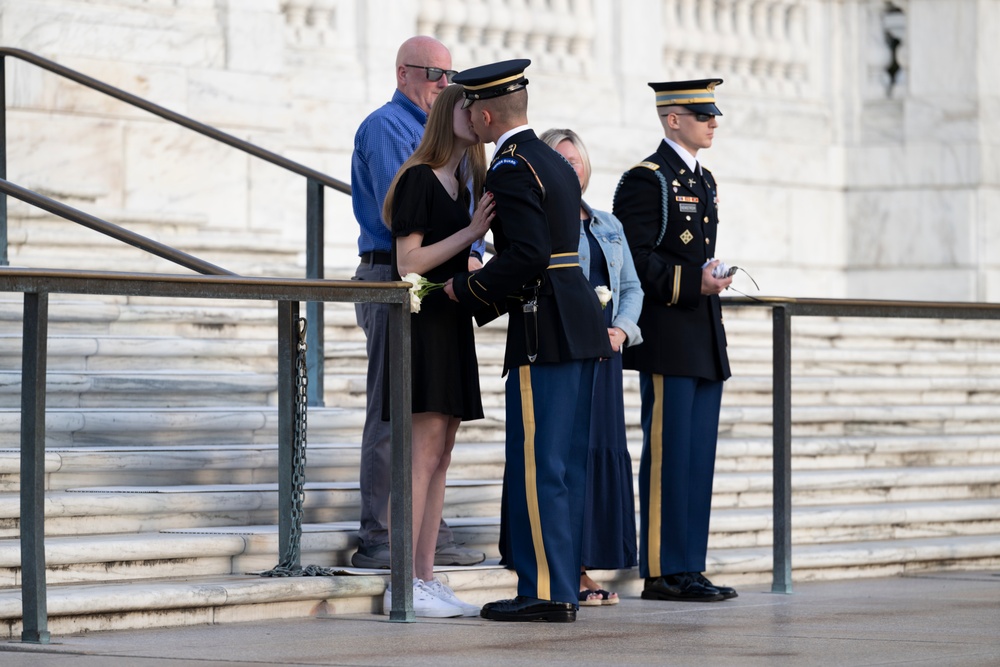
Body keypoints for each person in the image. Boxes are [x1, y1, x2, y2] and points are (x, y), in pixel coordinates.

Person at [445, 60, 613, 623]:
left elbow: (526, 257)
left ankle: (546, 591)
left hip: (546, 327)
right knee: (562, 465)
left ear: (485, 114)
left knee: (542, 465)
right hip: (578, 321)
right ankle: (558, 583)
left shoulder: (511, 167)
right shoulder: (552, 161)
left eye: (470, 107)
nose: (466, 114)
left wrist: (463, 291)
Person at [350, 35, 485, 569]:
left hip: (441, 281)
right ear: (403, 72)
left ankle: (425, 529)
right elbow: (401, 213)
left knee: (432, 417)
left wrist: (472, 252)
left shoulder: (450, 140)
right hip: (392, 275)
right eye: (433, 74)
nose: (443, 85)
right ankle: (382, 534)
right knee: (393, 409)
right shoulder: (387, 127)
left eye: (449, 76)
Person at [612, 78, 738, 602]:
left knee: (697, 456)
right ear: (672, 119)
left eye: (713, 114)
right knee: (668, 455)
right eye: (702, 113)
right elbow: (632, 259)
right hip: (667, 334)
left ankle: (689, 564)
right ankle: (664, 570)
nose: (713, 121)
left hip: (701, 334)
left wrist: (709, 275)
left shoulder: (701, 179)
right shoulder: (648, 179)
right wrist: (693, 282)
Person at [379, 84, 495, 618]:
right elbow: (408, 261)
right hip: (423, 326)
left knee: (442, 455)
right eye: (471, 108)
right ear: (453, 114)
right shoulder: (419, 179)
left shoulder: (463, 183)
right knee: (421, 457)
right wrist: (471, 234)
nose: (480, 117)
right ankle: (402, 581)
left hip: (452, 323)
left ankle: (425, 576)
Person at [539, 128, 643, 606]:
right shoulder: (540, 219)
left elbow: (632, 288)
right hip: (564, 349)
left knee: (597, 451)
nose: (571, 168)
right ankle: (566, 570)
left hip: (607, 353)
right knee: (567, 456)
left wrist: (622, 330)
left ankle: (586, 565)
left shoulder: (607, 223)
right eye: (560, 161)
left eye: (576, 160)